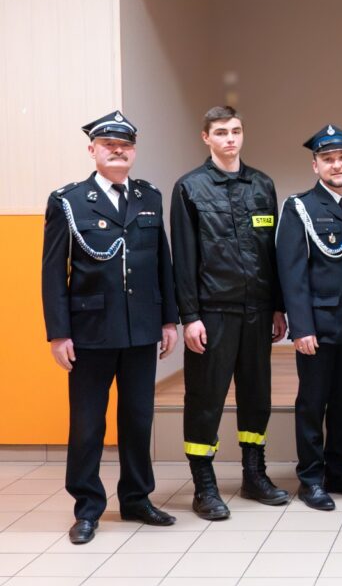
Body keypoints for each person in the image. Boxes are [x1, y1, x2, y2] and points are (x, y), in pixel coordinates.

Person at [42, 111, 179, 544]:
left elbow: (162, 262)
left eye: (126, 145)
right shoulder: (69, 201)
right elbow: (52, 272)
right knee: (87, 424)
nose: (118, 151)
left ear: (134, 151)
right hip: (91, 331)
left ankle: (137, 498)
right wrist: (58, 333)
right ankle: (87, 508)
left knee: (138, 419)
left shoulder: (148, 196)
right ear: (93, 150)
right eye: (109, 145)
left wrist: (169, 318)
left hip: (141, 329)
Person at [171, 105, 289, 520]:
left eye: (236, 131)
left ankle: (254, 475)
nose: (230, 139)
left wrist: (278, 306)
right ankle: (204, 485)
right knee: (205, 398)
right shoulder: (190, 188)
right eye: (221, 132)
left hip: (258, 311)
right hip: (213, 312)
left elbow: (271, 253)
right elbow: (183, 258)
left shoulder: (262, 185)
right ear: (206, 137)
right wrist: (190, 317)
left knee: (257, 396)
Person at [276, 124, 342, 511]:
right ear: (315, 165)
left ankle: (339, 471)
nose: (337, 165)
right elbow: (292, 272)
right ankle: (310, 478)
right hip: (317, 326)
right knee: (312, 403)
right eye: (328, 159)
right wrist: (301, 327)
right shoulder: (300, 207)